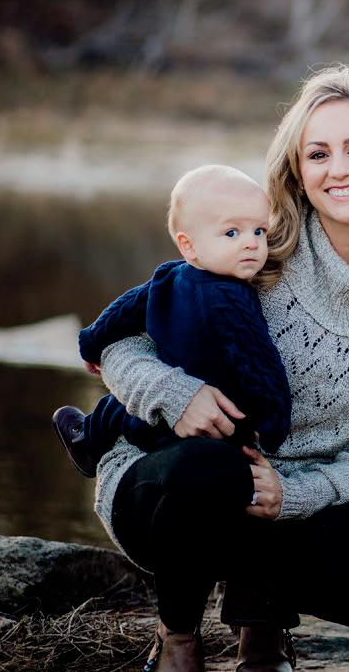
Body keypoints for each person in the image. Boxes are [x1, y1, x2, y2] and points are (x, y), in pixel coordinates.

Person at [90, 65, 349, 672]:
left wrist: (297, 494)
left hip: (289, 502)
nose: (338, 169)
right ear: (298, 170)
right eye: (318, 154)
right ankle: (178, 637)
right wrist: (175, 394)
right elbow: (121, 342)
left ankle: (261, 621)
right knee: (210, 468)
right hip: (169, 482)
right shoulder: (257, 245)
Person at [51, 165, 291, 477]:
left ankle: (87, 439)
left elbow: (123, 312)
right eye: (232, 233)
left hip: (181, 421)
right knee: (128, 410)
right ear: (188, 245)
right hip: (215, 425)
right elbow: (258, 362)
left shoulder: (169, 276)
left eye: (259, 231)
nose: (252, 243)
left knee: (121, 409)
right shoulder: (230, 298)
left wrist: (91, 344)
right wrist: (274, 425)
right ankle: (90, 441)